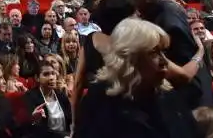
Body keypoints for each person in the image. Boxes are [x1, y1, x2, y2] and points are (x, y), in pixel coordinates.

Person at [73, 18, 202, 138]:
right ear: (131, 59)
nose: (165, 62)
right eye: (153, 53)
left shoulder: (169, 96)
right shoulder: (100, 101)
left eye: (163, 52)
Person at [121, 0, 213, 109]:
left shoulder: (168, 22)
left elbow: (183, 71)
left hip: (191, 99)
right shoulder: (161, 9)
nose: (125, 0)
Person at [24, 61, 72, 137]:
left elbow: (71, 120)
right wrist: (33, 119)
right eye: (46, 74)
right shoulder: (30, 96)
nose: (51, 77)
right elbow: (34, 129)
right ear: (37, 78)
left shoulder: (61, 96)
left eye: (53, 73)